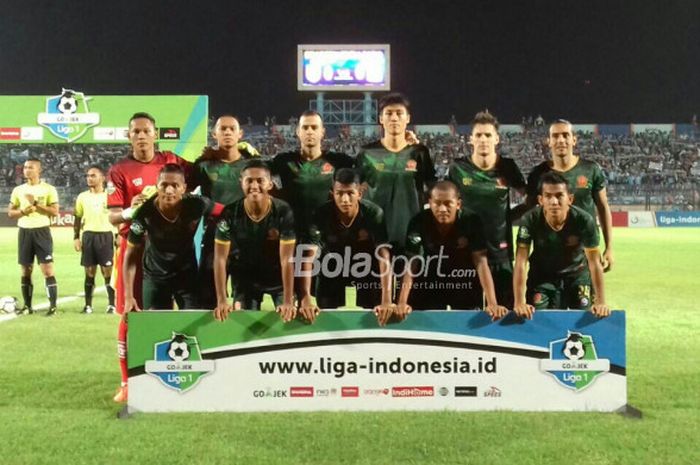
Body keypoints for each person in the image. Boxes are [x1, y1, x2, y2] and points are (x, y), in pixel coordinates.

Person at [107, 112, 192, 403]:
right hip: (133, 249)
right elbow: (113, 217)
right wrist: (133, 210)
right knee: (131, 314)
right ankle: (127, 382)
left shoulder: (171, 161)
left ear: (155, 134)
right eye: (136, 132)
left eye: (146, 131)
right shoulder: (119, 170)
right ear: (128, 136)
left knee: (168, 312)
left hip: (167, 249)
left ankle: (169, 373)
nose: (141, 136)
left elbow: (205, 172)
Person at [395, 181, 508, 322]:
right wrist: (401, 303)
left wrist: (492, 303)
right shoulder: (418, 222)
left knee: (468, 322)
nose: (442, 209)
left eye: (448, 203)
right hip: (431, 279)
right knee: (424, 322)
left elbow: (481, 262)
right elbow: (411, 264)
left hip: (464, 279)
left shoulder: (471, 221)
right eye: (437, 203)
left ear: (458, 204)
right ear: (429, 203)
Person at [446, 111, 526, 308]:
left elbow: (531, 199)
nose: (483, 139)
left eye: (488, 135)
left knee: (504, 314)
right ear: (470, 139)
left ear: (496, 139)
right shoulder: (458, 168)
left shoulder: (507, 167)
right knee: (466, 317)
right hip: (465, 254)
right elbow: (446, 203)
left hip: (500, 253)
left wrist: (508, 217)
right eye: (479, 135)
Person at [302, 168, 393, 325]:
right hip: (332, 268)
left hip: (364, 268)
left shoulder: (373, 213)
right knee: (324, 316)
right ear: (333, 193)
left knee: (376, 311)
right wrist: (306, 297)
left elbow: (383, 254)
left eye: (350, 193)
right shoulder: (321, 213)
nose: (345, 199)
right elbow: (309, 255)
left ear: (360, 193)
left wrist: (387, 299)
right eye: (339, 193)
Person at [514, 172, 610, 319]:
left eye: (559, 196)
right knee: (537, 319)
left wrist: (601, 301)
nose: (554, 202)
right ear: (540, 200)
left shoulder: (584, 220)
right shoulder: (530, 219)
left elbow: (594, 262)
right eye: (548, 196)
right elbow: (520, 262)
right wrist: (519, 302)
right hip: (542, 278)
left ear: (570, 199)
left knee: (585, 318)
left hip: (577, 275)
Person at [122, 164, 218, 312]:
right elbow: (130, 256)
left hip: (187, 276)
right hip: (155, 277)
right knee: (156, 329)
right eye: (164, 185)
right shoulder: (144, 212)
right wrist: (128, 296)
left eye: (175, 185)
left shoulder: (197, 204)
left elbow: (227, 213)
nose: (169, 190)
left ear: (184, 187)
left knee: (191, 326)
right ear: (156, 186)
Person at [212, 160, 296, 323]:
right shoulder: (230, 213)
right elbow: (220, 259)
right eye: (249, 181)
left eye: (260, 181)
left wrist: (287, 301)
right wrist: (222, 300)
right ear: (241, 183)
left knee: (288, 321)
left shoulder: (283, 211)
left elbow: (287, 259)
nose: (254, 185)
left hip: (277, 280)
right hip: (245, 281)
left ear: (270, 184)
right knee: (243, 325)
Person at [526, 119, 614, 271]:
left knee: (589, 295)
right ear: (549, 141)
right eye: (555, 136)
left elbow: (603, 206)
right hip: (549, 254)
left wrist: (609, 248)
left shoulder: (591, 170)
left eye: (565, 135)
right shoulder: (537, 174)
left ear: (574, 140)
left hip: (585, 253)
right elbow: (529, 212)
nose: (561, 140)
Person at [354, 93, 436, 253]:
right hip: (375, 235)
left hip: (412, 233)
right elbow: (357, 192)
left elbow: (432, 190)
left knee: (410, 278)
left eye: (399, 113)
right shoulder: (366, 153)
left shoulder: (419, 152)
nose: (394, 118)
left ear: (408, 118)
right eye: (389, 113)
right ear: (380, 118)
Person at [194, 115, 259, 308]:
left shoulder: (251, 166)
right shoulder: (203, 166)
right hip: (214, 238)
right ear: (215, 134)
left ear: (240, 134)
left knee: (246, 302)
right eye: (223, 129)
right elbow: (185, 193)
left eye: (232, 128)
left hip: (247, 239)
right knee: (208, 301)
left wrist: (257, 158)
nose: (228, 132)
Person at [8, 158, 59, 316]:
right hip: (24, 232)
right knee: (26, 270)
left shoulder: (49, 189)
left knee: (47, 269)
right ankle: (27, 306)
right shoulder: (18, 190)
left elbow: (55, 211)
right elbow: (10, 213)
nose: (26, 170)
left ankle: (52, 307)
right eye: (25, 167)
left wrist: (36, 204)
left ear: (39, 170)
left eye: (30, 167)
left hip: (42, 231)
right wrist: (24, 212)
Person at [73, 165, 115, 314]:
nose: (89, 178)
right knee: (89, 271)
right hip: (89, 236)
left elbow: (118, 216)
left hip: (106, 235)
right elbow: (77, 218)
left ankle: (112, 305)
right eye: (88, 176)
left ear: (102, 178)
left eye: (93, 176)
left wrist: (119, 236)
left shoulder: (110, 195)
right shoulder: (82, 197)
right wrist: (76, 238)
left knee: (107, 272)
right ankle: (88, 305)